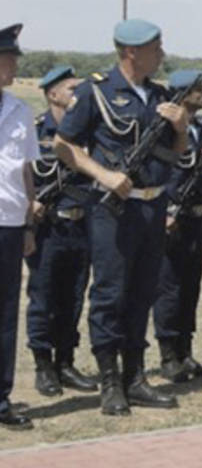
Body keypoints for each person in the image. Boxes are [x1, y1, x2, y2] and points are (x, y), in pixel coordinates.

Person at [55, 19, 186, 416]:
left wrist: (180, 128)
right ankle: (110, 382)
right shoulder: (96, 92)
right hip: (113, 210)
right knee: (110, 294)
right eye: (155, 46)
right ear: (131, 52)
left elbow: (174, 154)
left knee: (143, 292)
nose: (162, 52)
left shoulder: (160, 95)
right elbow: (64, 145)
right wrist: (104, 175)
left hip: (152, 205)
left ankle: (135, 376)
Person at [27, 66, 98, 397]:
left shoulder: (86, 135)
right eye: (71, 89)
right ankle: (43, 366)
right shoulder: (36, 131)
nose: (76, 94)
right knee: (44, 298)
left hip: (82, 225)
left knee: (73, 297)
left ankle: (65, 363)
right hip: (48, 227)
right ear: (52, 94)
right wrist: (30, 205)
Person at [153, 69, 202, 382]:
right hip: (171, 217)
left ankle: (185, 352)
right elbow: (161, 173)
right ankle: (168, 356)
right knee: (168, 286)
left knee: (191, 285)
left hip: (196, 216)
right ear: (182, 94)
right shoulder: (166, 130)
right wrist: (164, 210)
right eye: (198, 88)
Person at [0, 23, 39, 431]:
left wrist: (29, 223)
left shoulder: (19, 110)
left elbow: (26, 170)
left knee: (6, 315)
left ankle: (1, 397)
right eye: (8, 59)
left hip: (9, 224)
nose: (13, 65)